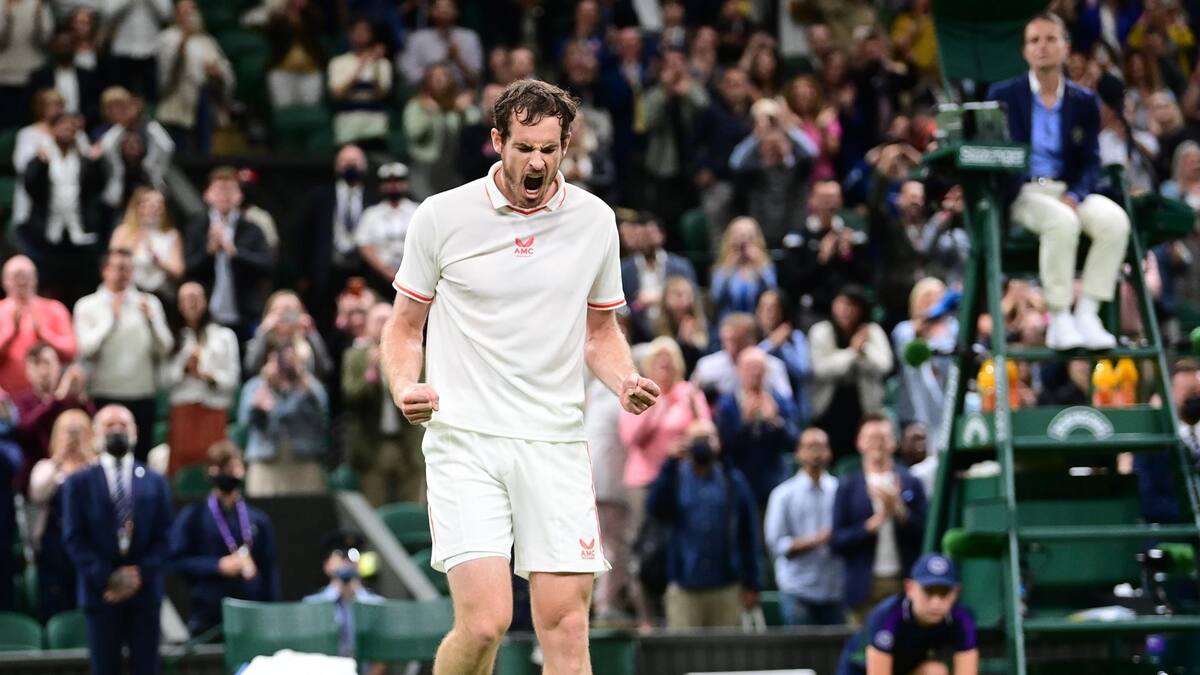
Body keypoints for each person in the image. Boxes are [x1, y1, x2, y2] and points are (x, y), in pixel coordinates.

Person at [381, 79, 660, 674]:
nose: (537, 162)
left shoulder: (595, 220)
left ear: (566, 147)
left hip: (555, 443)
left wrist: (624, 379)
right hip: (466, 441)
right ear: (497, 142)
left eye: (549, 149)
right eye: (525, 148)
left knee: (566, 625)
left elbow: (601, 331)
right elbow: (403, 327)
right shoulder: (441, 216)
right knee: (485, 623)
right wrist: (405, 385)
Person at [987, 12, 1131, 351]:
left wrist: (1077, 194)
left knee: (1115, 221)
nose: (1042, 47)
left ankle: (1088, 312)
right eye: (1034, 40)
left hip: (1067, 190)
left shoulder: (1083, 100)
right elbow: (994, 153)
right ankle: (1059, 316)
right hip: (1024, 192)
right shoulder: (1004, 95)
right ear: (1025, 51)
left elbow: (1091, 161)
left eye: (1050, 39)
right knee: (1062, 222)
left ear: (1066, 47)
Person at [62, 404, 173, 675]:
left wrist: (138, 576)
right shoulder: (79, 482)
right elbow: (74, 538)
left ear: (135, 432)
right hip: (101, 593)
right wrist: (108, 576)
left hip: (145, 593)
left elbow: (166, 536)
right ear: (96, 434)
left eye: (123, 425)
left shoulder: (155, 480)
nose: (117, 431)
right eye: (109, 425)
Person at [645, 420, 760, 629]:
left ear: (718, 442)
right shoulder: (675, 479)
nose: (703, 444)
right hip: (684, 587)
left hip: (726, 587)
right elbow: (655, 509)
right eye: (697, 439)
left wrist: (752, 582)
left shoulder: (733, 481)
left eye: (708, 438)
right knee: (683, 649)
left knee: (726, 649)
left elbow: (748, 534)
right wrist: (669, 464)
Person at [169, 441, 279, 636]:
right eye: (224, 468)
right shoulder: (194, 516)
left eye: (234, 467)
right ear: (211, 471)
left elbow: (270, 569)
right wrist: (217, 566)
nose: (230, 473)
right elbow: (177, 561)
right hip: (208, 613)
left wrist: (272, 615)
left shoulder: (258, 520)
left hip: (250, 612)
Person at [74, 249, 174, 461]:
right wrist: (111, 319)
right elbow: (85, 349)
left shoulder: (149, 303)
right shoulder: (87, 305)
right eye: (120, 268)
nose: (125, 274)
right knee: (103, 457)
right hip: (103, 393)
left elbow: (165, 348)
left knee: (140, 458)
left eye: (129, 269)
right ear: (105, 271)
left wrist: (151, 321)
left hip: (142, 394)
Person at [832, 416, 928, 626]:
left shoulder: (911, 482)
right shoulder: (848, 486)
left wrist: (900, 512)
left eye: (883, 437)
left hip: (903, 582)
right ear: (859, 442)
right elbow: (837, 541)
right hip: (863, 587)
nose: (877, 444)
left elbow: (925, 532)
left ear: (894, 442)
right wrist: (871, 525)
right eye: (871, 438)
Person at [836, 553, 978, 675]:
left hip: (906, 670)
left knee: (935, 671)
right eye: (928, 591)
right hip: (859, 671)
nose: (936, 602)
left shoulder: (962, 617)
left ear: (956, 592)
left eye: (944, 592)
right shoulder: (887, 615)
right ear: (909, 588)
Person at [342, 302, 423, 506]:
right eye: (378, 321)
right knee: (374, 508)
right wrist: (371, 374)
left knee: (412, 508)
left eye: (388, 319)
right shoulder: (355, 357)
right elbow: (350, 398)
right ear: (368, 326)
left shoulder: (415, 354)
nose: (384, 325)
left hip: (408, 445)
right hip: (373, 447)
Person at [765, 428, 845, 626]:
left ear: (829, 452)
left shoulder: (840, 491)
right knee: (800, 646)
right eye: (810, 447)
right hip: (797, 589)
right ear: (798, 453)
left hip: (834, 589)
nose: (816, 453)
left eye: (821, 447)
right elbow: (776, 544)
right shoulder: (783, 494)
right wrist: (816, 540)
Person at [183, 166, 275, 339]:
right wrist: (209, 251)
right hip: (206, 314)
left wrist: (234, 252)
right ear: (207, 194)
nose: (224, 196)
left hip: (245, 313)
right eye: (219, 190)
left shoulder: (252, 228)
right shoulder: (197, 227)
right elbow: (188, 268)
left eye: (230, 190)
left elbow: (267, 265)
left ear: (240, 195)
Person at [162, 283, 240, 477]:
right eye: (186, 299)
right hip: (183, 409)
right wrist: (184, 369)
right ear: (179, 305)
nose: (192, 303)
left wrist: (208, 377)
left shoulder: (225, 336)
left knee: (215, 467)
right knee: (181, 471)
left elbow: (232, 379)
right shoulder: (170, 337)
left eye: (196, 297)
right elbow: (163, 381)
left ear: (206, 301)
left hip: (213, 408)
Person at [809, 287, 893, 461]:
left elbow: (885, 366)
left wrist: (865, 348)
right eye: (842, 304)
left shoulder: (872, 331)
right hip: (828, 409)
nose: (846, 310)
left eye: (852, 305)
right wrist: (852, 352)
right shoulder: (821, 331)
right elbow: (821, 369)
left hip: (864, 409)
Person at [28, 408, 95, 620]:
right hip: (54, 546)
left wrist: (89, 457)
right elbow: (37, 493)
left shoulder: (97, 468)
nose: (73, 436)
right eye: (68, 430)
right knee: (54, 601)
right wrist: (58, 459)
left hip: (90, 545)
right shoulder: (46, 466)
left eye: (79, 430)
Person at [237, 344, 329, 497]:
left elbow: (323, 415)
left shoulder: (310, 385)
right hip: (265, 462)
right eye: (275, 361)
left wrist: (301, 381)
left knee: (307, 508)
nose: (280, 366)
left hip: (303, 462)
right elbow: (244, 422)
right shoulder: (255, 386)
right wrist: (263, 392)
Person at [714, 347, 799, 511]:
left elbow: (794, 441)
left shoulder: (779, 400)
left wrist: (775, 422)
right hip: (738, 481)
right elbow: (723, 447)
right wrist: (744, 423)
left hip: (773, 479)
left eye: (760, 368)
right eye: (750, 368)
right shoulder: (727, 403)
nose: (756, 373)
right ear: (739, 370)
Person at [155, 0, 235, 154]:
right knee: (180, 147)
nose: (190, 16)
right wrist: (182, 43)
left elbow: (223, 67)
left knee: (204, 145)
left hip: (204, 97)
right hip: (178, 100)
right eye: (185, 12)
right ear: (177, 15)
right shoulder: (168, 37)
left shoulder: (207, 40)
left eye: (192, 11)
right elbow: (166, 70)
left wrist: (217, 72)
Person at [13, 342, 92, 492]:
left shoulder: (71, 400)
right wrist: (56, 399)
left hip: (75, 471)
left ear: (59, 366)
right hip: (36, 474)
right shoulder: (21, 401)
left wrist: (82, 397)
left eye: (48, 363)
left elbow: (93, 427)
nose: (43, 371)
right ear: (27, 371)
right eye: (37, 364)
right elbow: (25, 430)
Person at [303, 530, 384, 667]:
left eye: (353, 555)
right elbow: (308, 651)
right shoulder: (312, 605)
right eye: (340, 554)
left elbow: (383, 656)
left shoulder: (377, 604)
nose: (347, 560)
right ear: (327, 565)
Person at [0, 255, 76, 395]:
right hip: (5, 398)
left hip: (47, 397)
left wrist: (44, 334)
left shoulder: (55, 308)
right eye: (16, 276)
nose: (22, 281)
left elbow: (71, 352)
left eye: (26, 275)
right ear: (5, 281)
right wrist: (10, 335)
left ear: (35, 278)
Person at [620, 214, 697, 343]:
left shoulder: (681, 266)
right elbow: (622, 309)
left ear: (661, 234)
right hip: (639, 337)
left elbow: (694, 300)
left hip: (676, 333)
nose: (646, 240)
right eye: (641, 236)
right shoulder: (625, 270)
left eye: (649, 234)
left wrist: (661, 298)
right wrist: (636, 306)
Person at [109, 186, 185, 304]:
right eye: (147, 203)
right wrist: (133, 244)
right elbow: (111, 265)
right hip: (128, 293)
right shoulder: (123, 231)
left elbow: (178, 271)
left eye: (159, 203)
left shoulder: (171, 234)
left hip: (160, 293)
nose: (153, 207)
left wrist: (158, 261)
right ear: (137, 206)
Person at [356, 162, 420, 296]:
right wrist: (386, 271)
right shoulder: (371, 214)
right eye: (388, 182)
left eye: (398, 181)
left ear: (406, 183)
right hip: (380, 278)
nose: (393, 186)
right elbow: (364, 245)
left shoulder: (418, 210)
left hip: (414, 277)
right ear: (381, 185)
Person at [327, 18, 391, 149]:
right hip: (347, 129)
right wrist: (361, 66)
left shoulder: (383, 63)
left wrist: (375, 64)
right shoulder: (338, 62)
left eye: (365, 30)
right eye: (357, 30)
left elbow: (380, 95)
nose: (361, 33)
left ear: (371, 35)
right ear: (349, 34)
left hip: (375, 129)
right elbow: (338, 95)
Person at [398, 0, 482, 88]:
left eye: (448, 6)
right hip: (425, 92)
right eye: (439, 7)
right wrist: (443, 62)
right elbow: (410, 76)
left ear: (456, 11)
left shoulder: (470, 37)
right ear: (430, 11)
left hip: (461, 92)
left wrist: (458, 60)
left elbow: (476, 79)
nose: (444, 10)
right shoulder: (417, 38)